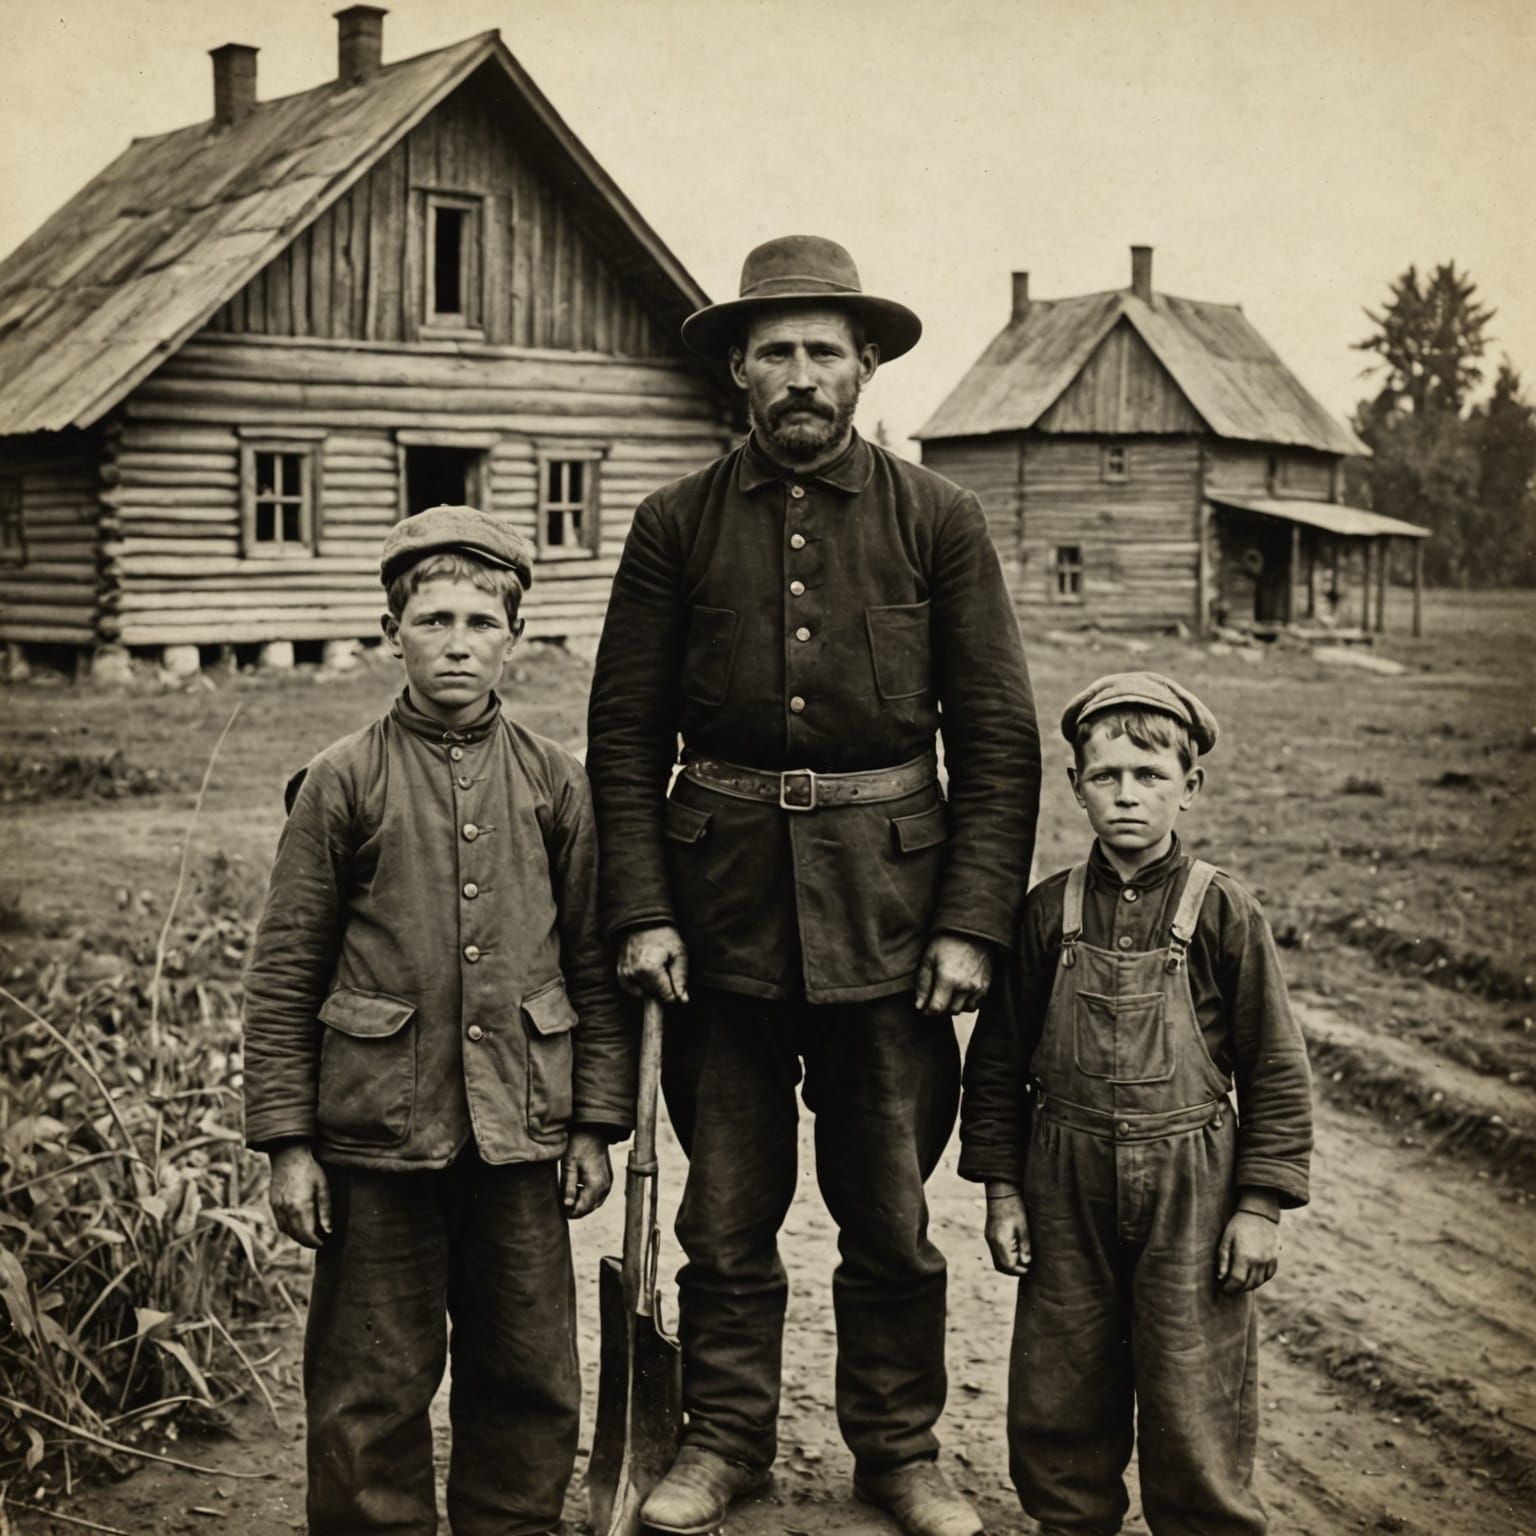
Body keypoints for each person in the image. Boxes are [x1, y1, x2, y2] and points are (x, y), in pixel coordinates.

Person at [585, 235, 1041, 1536]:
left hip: (891, 930)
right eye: (775, 350)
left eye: (823, 352)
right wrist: (643, 908)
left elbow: (997, 740)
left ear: (866, 365)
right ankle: (723, 1442)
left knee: (889, 1218)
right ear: (738, 368)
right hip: (717, 922)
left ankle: (899, 1453)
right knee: (726, 1215)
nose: (799, 374)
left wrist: (969, 925)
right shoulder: (673, 524)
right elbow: (625, 735)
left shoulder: (938, 520)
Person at [241, 506, 635, 1536]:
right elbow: (284, 974)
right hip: (378, 1134)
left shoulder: (555, 783)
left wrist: (594, 1123)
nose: (456, 643)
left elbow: (594, 966)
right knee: (369, 1378)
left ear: (514, 636)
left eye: (479, 622)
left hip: (522, 1131)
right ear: (392, 633)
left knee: (528, 1369)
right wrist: (289, 1144)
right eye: (433, 621)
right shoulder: (342, 780)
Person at [960, 672, 1314, 1536]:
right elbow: (997, 1063)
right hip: (1064, 1179)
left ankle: (1205, 1523)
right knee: (1062, 1367)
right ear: (1076, 785)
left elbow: (1276, 1066)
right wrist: (1003, 1191)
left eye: (1150, 776)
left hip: (1192, 1182)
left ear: (1189, 787)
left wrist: (1259, 1206)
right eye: (1106, 774)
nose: (1127, 794)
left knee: (1192, 1373)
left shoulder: (1225, 910)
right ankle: (1070, 1518)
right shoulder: (1046, 913)